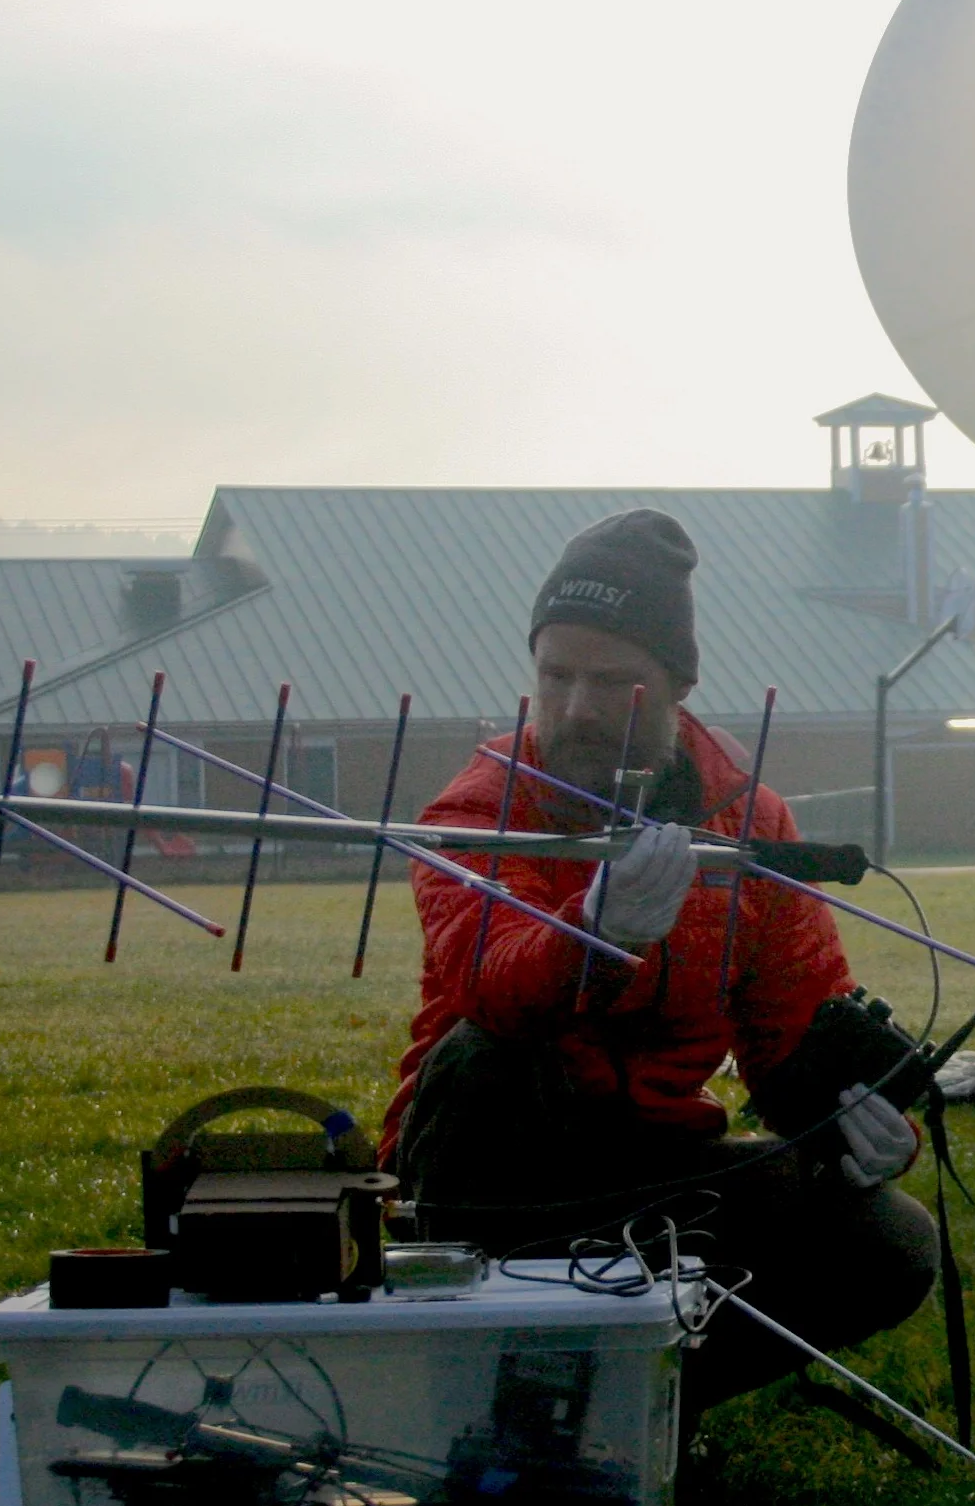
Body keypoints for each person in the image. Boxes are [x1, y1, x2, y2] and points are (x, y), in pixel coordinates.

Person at [381, 507, 938, 1417]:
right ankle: (486, 1389)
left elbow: (793, 1028)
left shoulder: (747, 824)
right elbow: (496, 987)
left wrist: (858, 1128)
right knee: (484, 1057)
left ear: (675, 685)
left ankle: (637, 1409)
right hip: (493, 1168)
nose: (575, 708)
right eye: (553, 674)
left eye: (613, 681)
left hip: (655, 1167)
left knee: (887, 1243)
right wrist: (598, 935)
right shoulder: (480, 808)